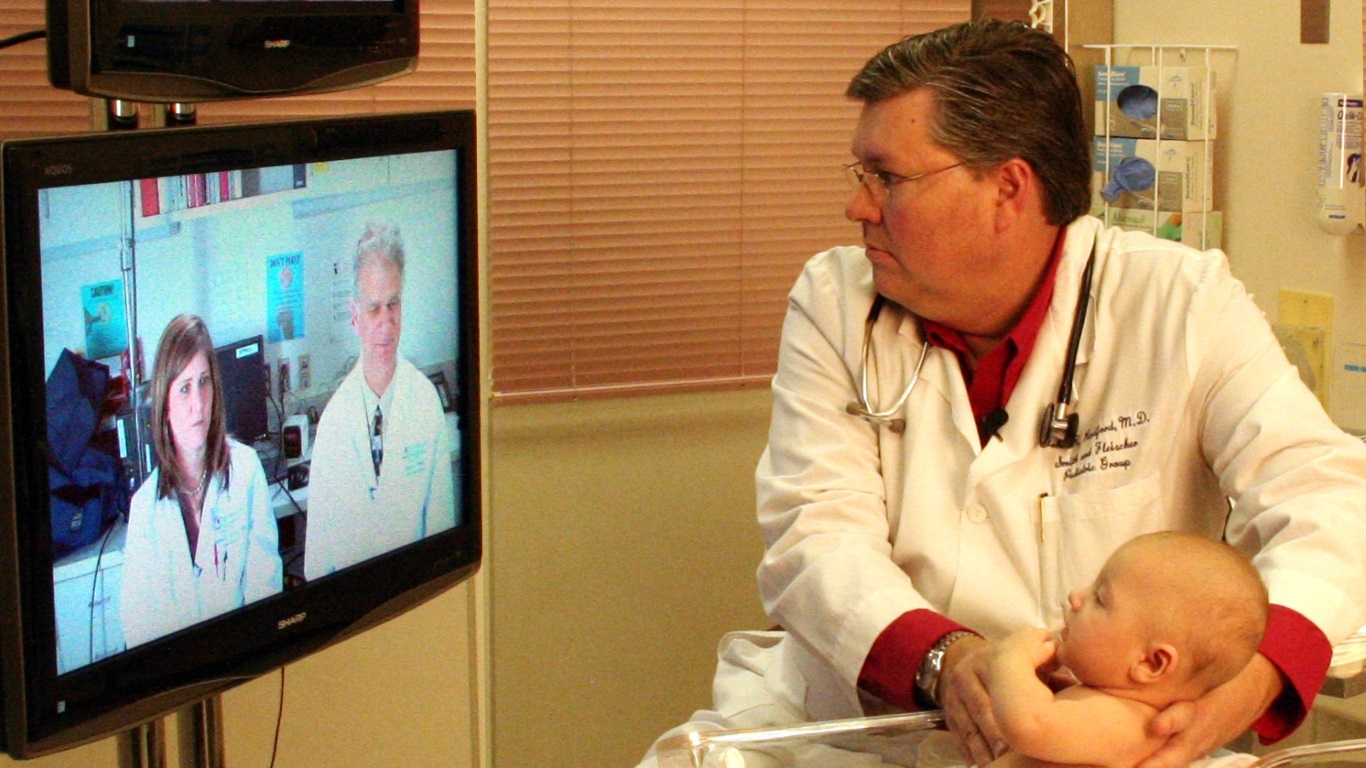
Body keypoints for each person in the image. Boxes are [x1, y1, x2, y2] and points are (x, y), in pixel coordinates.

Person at [636, 19, 1366, 768]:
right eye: (860, 175)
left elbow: (1327, 499)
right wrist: (943, 659)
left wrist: (1255, 679)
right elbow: (814, 535)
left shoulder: (1179, 304)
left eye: (888, 177)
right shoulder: (836, 302)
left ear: (1007, 189)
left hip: (1102, 744)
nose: (858, 206)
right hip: (856, 729)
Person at [989, 532, 1268, 768]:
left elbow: (1030, 725)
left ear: (1151, 664)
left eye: (1099, 598)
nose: (1076, 597)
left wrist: (1012, 659)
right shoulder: (1108, 704)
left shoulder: (1130, 723)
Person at [304, 220, 455, 580]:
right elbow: (316, 564)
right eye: (374, 308)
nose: (386, 322)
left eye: (393, 304)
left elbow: (442, 532)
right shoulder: (333, 424)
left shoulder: (424, 403)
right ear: (355, 316)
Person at [121, 314, 282, 649]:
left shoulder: (246, 470)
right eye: (183, 388)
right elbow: (138, 629)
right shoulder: (145, 508)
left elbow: (265, 591)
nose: (197, 403)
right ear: (164, 404)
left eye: (204, 382)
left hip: (244, 662)